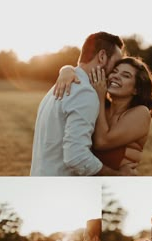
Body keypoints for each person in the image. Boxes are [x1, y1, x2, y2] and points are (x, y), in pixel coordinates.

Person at [30, 31, 137, 176]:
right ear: (102, 56)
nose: (114, 72)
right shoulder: (84, 93)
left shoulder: (56, 88)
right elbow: (76, 157)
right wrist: (117, 175)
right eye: (116, 63)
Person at [54, 56, 152, 171]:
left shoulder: (141, 112)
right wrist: (66, 70)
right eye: (115, 71)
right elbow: (82, 70)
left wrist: (99, 95)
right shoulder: (101, 107)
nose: (116, 76)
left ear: (136, 89)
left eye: (126, 75)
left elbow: (101, 142)